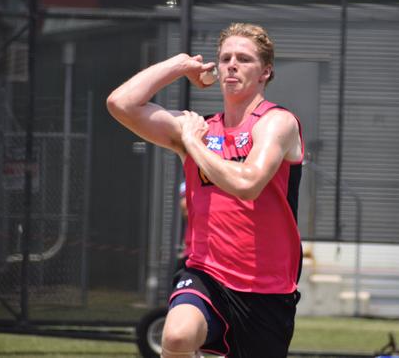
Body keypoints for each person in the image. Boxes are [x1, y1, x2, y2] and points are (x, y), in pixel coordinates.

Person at [107, 23, 304, 358]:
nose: (231, 64)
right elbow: (120, 103)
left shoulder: (276, 122)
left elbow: (247, 184)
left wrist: (191, 145)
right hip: (206, 273)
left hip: (266, 288)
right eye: (225, 57)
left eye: (243, 58)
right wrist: (180, 66)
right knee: (178, 337)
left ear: (265, 72)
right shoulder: (201, 128)